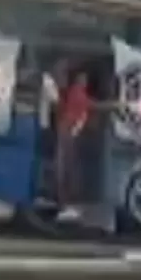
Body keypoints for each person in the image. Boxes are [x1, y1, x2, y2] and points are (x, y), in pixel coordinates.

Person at [56, 70, 93, 211]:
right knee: (68, 165)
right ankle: (66, 199)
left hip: (64, 128)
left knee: (63, 164)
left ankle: (62, 198)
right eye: (84, 80)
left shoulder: (72, 92)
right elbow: (85, 111)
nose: (85, 82)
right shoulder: (80, 94)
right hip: (69, 130)